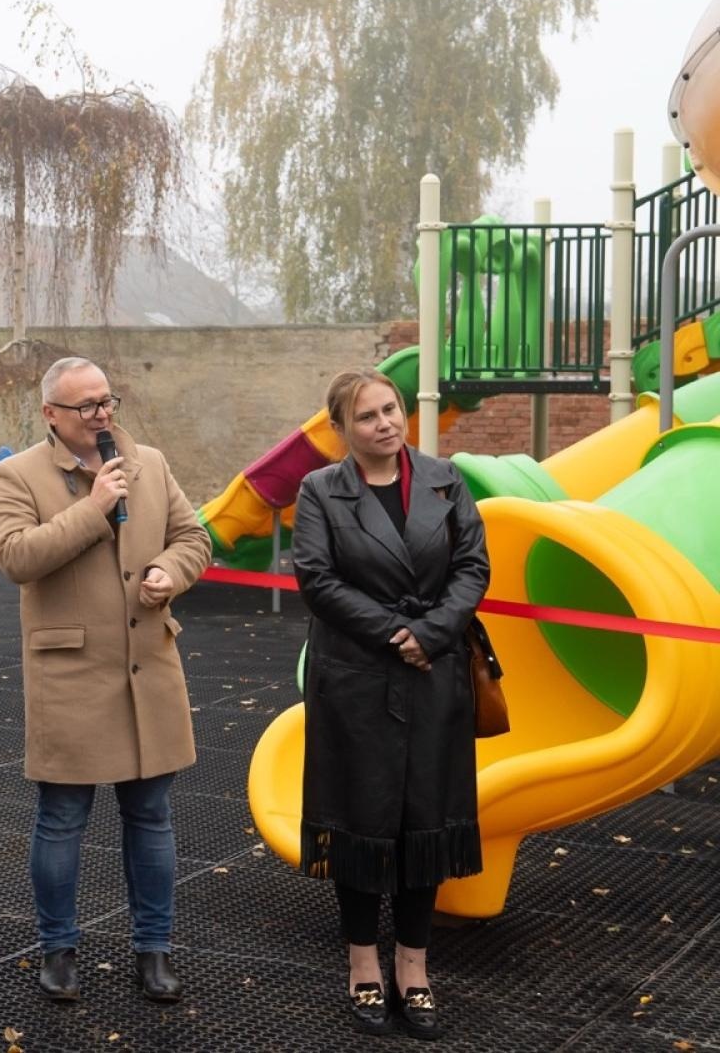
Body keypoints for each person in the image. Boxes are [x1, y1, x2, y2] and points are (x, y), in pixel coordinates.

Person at [0, 356, 211, 1005]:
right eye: (86, 406)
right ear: (51, 414)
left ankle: (155, 949)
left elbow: (194, 537)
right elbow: (16, 558)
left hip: (149, 672)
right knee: (62, 820)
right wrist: (94, 508)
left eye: (107, 401)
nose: (102, 414)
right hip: (70, 677)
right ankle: (58, 948)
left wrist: (172, 569)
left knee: (151, 817)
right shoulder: (17, 475)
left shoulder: (152, 464)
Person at [291, 368, 489, 1040]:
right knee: (360, 820)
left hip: (433, 674)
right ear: (342, 429)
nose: (384, 422)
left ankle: (414, 968)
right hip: (355, 678)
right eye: (368, 415)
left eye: (391, 408)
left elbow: (473, 567)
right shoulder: (320, 490)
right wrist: (391, 633)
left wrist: (430, 634)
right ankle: (363, 965)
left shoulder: (445, 479)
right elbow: (315, 577)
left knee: (423, 822)